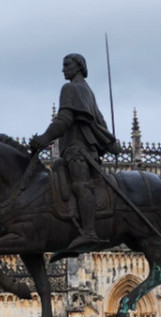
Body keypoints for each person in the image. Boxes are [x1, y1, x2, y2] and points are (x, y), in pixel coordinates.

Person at [30, 54, 120, 253]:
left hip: (78, 150)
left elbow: (64, 120)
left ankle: (88, 231)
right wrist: (110, 142)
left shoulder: (70, 89)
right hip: (85, 149)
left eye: (67, 65)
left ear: (79, 66)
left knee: (81, 186)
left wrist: (43, 139)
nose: (63, 70)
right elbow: (101, 122)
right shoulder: (88, 91)